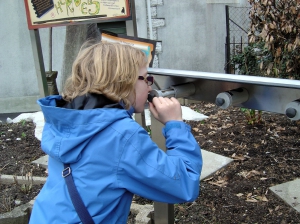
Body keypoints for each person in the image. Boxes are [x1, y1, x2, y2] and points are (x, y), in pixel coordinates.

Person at [29, 41, 202, 223]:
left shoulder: (66, 118)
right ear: (124, 82)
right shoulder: (122, 136)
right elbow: (185, 184)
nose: (150, 87)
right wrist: (175, 124)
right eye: (146, 78)